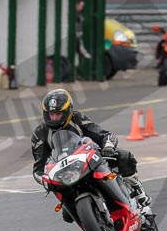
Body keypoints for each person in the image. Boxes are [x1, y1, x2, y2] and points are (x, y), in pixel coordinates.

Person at [31, 88, 151, 219]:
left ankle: (137, 191)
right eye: (50, 114)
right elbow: (38, 169)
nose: (54, 118)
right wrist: (45, 180)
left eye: (58, 114)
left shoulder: (78, 119)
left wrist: (108, 146)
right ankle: (95, 223)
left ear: (67, 111)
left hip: (89, 162)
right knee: (67, 215)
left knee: (124, 156)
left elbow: (105, 135)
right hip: (65, 175)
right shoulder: (39, 134)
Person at [75, 0, 91, 78]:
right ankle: (77, 72)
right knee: (78, 52)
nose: (81, 7)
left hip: (79, 34)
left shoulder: (79, 14)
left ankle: (78, 71)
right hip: (76, 34)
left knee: (79, 54)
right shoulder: (76, 14)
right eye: (81, 5)